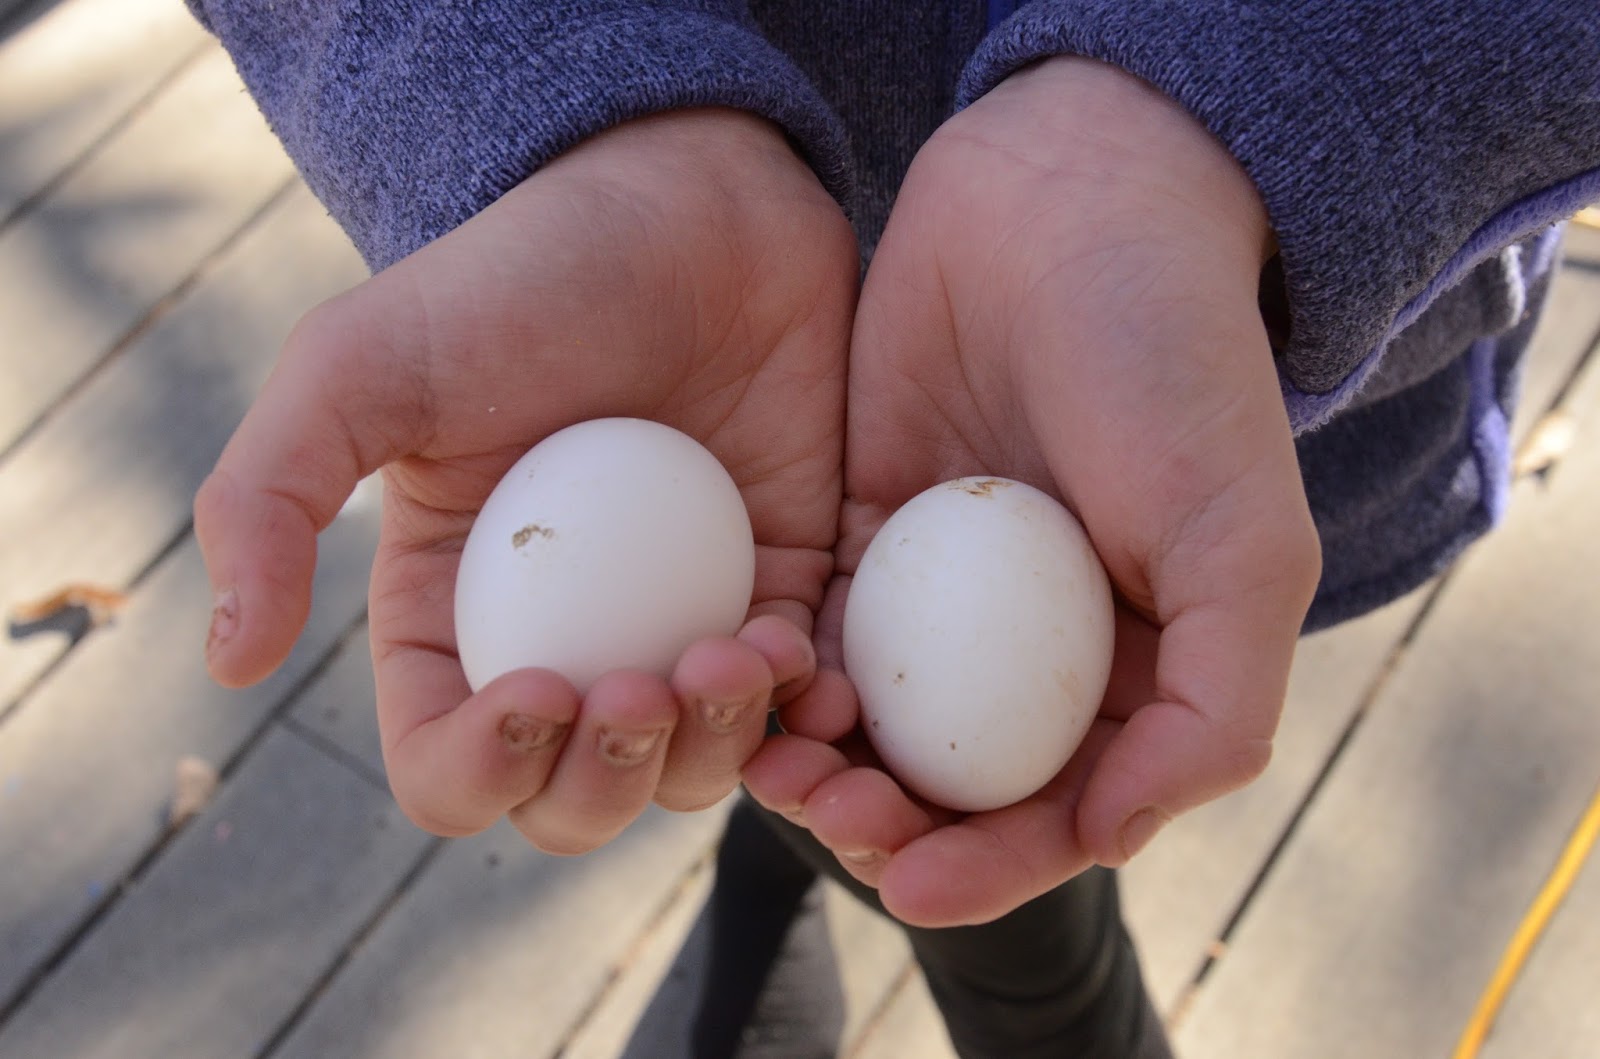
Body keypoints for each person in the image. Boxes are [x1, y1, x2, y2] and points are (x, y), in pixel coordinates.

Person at [184, 1, 1600, 1055]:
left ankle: (1023, 997)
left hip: (1231, 334)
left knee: (894, 722)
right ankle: (935, 951)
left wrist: (1244, 92)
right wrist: (522, 81)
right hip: (678, 326)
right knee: (787, 702)